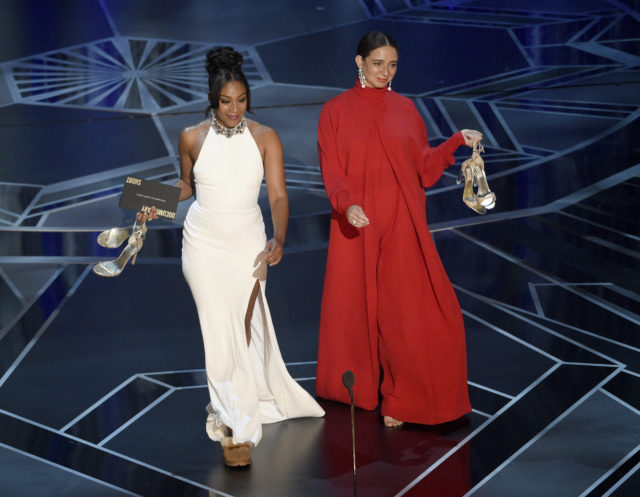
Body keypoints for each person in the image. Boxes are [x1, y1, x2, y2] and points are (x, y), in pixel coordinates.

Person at [144, 46, 324, 467]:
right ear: (213, 99)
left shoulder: (265, 138)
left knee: (240, 327)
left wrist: (278, 238)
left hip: (248, 242)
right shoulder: (191, 136)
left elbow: (278, 195)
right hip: (202, 242)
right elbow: (187, 186)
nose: (234, 109)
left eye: (241, 101)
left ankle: (244, 402)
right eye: (227, 101)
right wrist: (154, 200)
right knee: (218, 330)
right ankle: (236, 429)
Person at [316, 31, 481, 428]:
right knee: (359, 308)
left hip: (404, 223)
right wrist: (346, 203)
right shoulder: (334, 111)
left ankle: (404, 396)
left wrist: (457, 141)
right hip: (358, 224)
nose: (385, 72)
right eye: (377, 64)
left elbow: (423, 167)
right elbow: (332, 170)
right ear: (359, 63)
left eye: (391, 65)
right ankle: (362, 387)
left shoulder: (406, 109)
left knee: (411, 314)